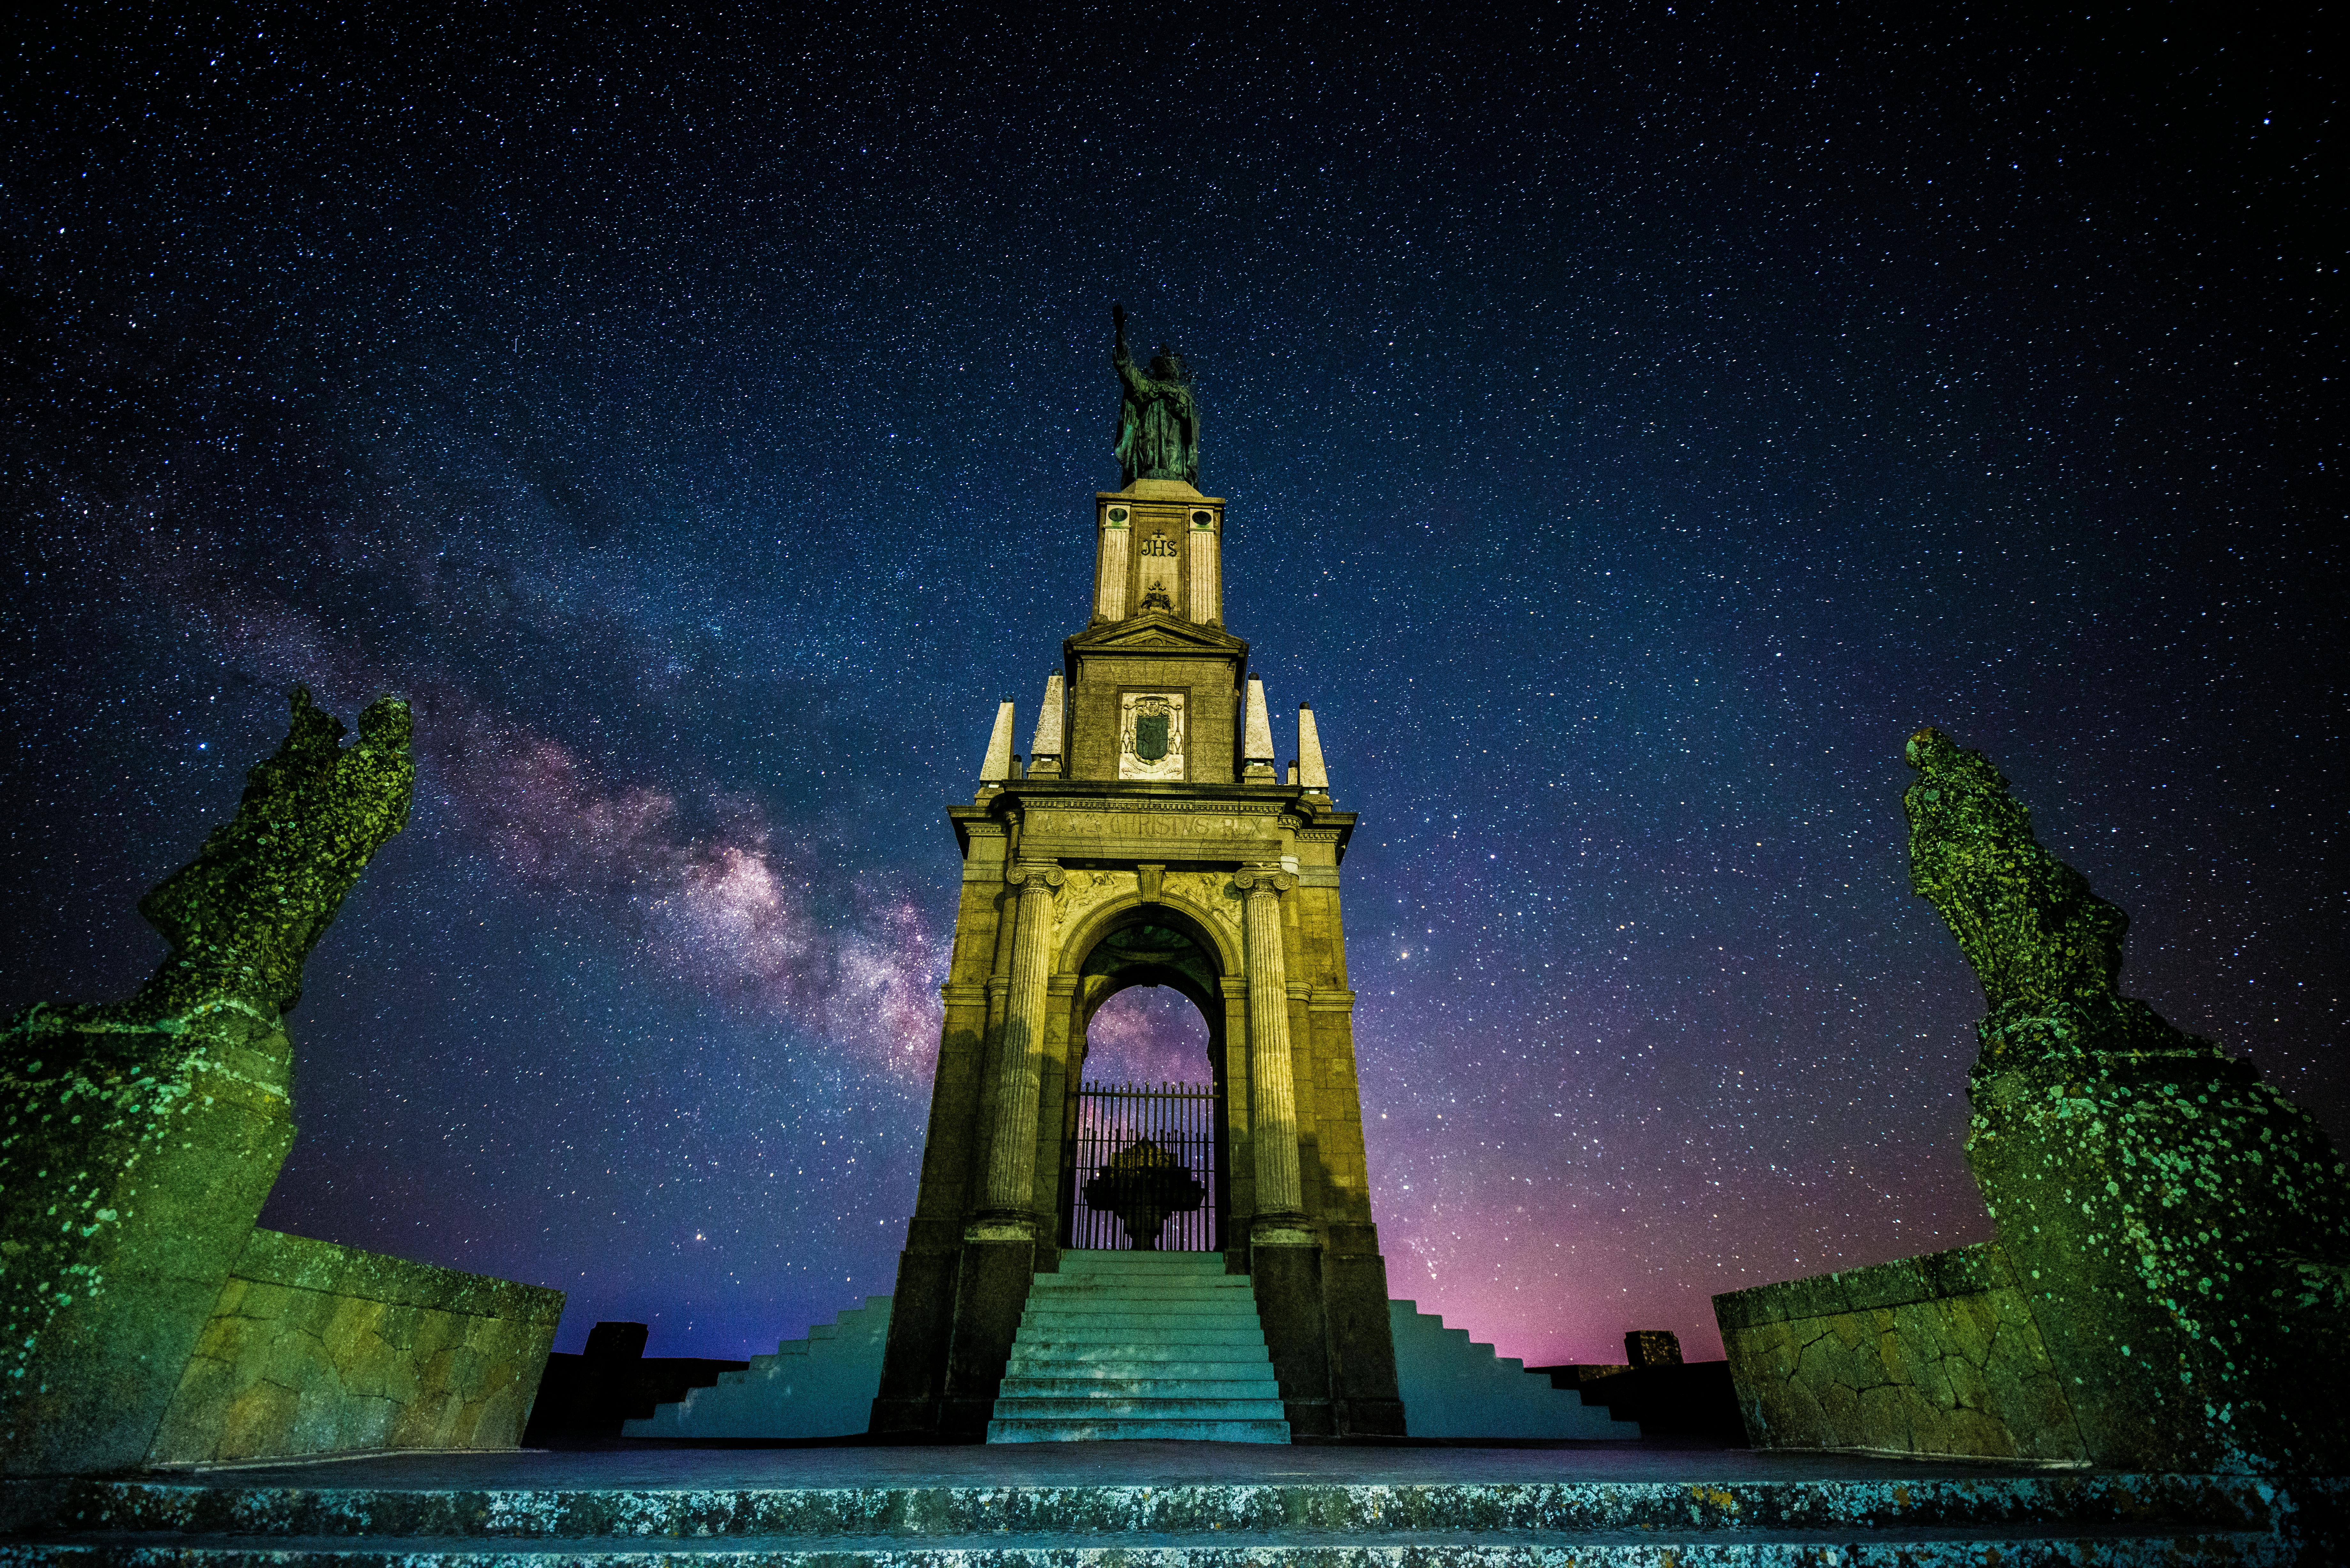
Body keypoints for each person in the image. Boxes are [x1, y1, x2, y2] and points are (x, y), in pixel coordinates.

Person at [1112, 303, 1199, 486]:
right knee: (1147, 451)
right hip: (1148, 440)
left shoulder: (1184, 394)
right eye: (1166, 367)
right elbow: (1125, 367)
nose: (1170, 370)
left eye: (1172, 368)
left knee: (1173, 451)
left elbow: (1191, 428)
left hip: (1175, 445)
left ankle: (1176, 475)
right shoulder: (1145, 386)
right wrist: (1120, 334)